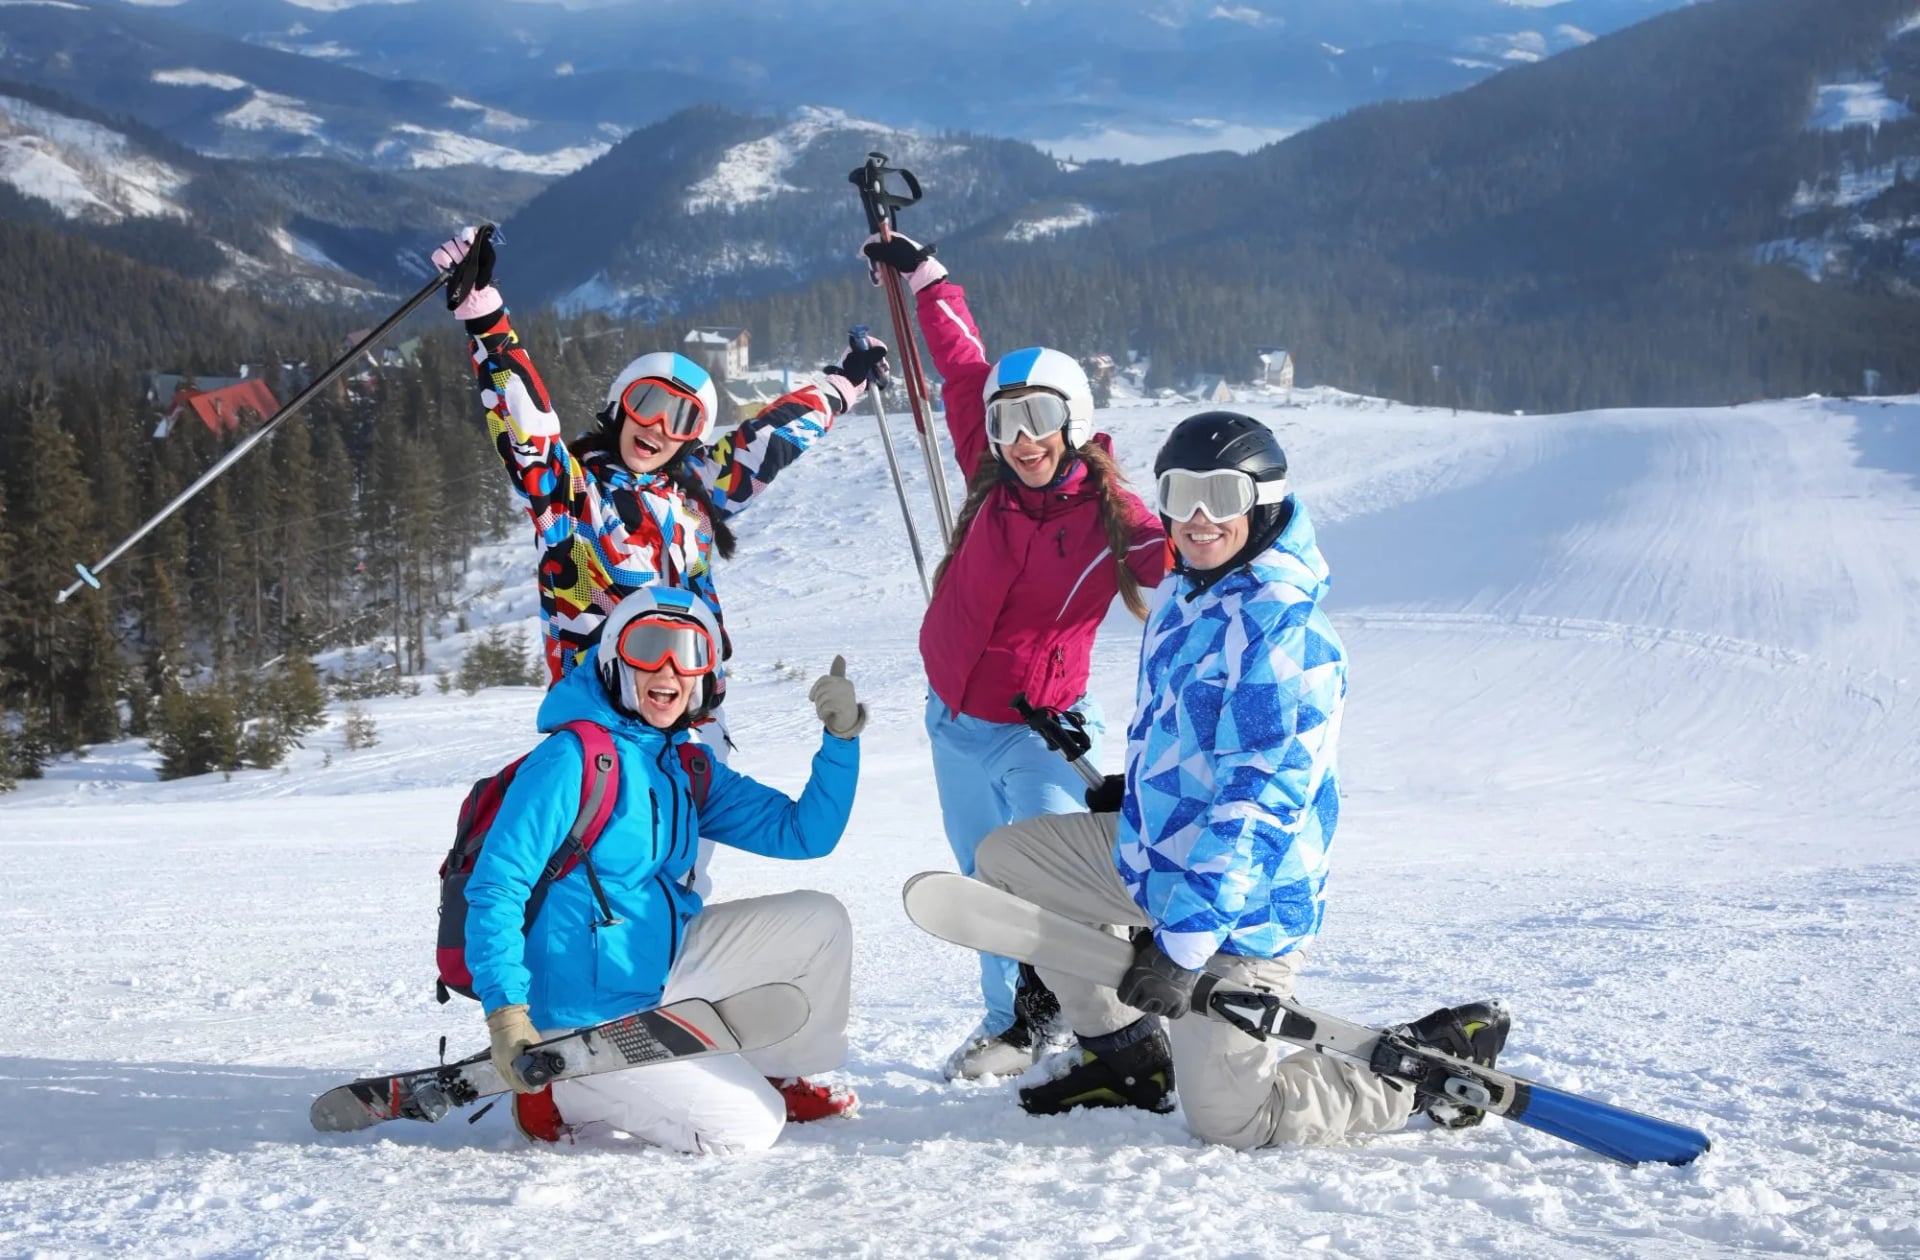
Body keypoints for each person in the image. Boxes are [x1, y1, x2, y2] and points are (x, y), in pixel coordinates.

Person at [973, 411, 1509, 1148]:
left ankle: (1414, 1072)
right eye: (1179, 493)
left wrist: (1182, 947)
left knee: (1231, 1121)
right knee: (1008, 862)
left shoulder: (1286, 636)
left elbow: (1256, 808)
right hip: (1151, 858)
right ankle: (1126, 1054)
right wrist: (1140, 791)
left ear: (1261, 502)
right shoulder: (1184, 594)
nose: (1197, 518)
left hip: (1241, 910)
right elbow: (1184, 731)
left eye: (1220, 496)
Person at [431, 227, 886, 899]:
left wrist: (844, 383)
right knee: (611, 872)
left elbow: (774, 437)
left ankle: (667, 988)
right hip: (606, 724)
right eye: (649, 403)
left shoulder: (695, 492)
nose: (661, 427)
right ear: (620, 404)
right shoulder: (570, 494)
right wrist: (486, 318)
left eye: (685, 418)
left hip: (694, 716)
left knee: (683, 876)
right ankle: (597, 986)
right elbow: (528, 430)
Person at [860, 233, 1171, 1080]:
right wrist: (925, 277)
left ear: (1073, 422)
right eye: (1007, 423)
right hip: (952, 722)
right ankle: (1013, 1023)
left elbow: (1187, 556)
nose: (1021, 438)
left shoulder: (1118, 519)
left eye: (1038, 419)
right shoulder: (988, 477)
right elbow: (963, 368)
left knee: (1050, 882)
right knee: (980, 885)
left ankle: (1091, 1019)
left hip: (1042, 731)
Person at [465, 586, 869, 1152]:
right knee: (749, 1130)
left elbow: (805, 833)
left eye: (689, 653)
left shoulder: (683, 763)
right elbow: (496, 888)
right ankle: (560, 1084)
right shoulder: (571, 759)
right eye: (649, 646)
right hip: (580, 1012)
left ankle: (777, 1071)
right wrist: (508, 1015)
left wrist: (841, 738)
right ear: (615, 658)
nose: (669, 669)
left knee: (819, 922)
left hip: (656, 969)